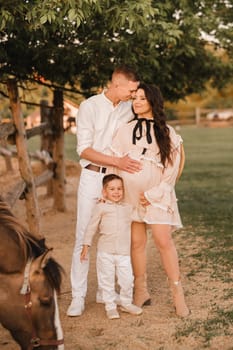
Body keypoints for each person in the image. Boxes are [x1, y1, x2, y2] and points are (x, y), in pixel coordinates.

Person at [110, 83, 190, 317]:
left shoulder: (167, 133)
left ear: (153, 101)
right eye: (135, 98)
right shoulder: (125, 130)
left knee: (162, 240)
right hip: (131, 196)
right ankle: (140, 290)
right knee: (136, 243)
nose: (136, 102)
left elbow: (172, 170)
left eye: (142, 99)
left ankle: (177, 294)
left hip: (157, 195)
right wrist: (119, 188)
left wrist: (152, 194)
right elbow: (115, 159)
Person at [67, 65, 141, 317]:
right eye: (131, 89)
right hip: (92, 176)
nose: (134, 93)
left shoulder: (128, 107)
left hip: (117, 179)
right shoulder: (90, 107)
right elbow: (84, 150)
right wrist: (117, 162)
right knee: (84, 236)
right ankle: (77, 296)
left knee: (116, 233)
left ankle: (105, 290)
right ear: (117, 84)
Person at [80, 174, 143, 320]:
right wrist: (86, 245)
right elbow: (91, 227)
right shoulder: (100, 208)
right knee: (106, 280)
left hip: (123, 253)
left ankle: (126, 303)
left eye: (119, 189)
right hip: (105, 252)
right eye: (112, 189)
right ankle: (110, 306)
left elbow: (141, 214)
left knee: (127, 280)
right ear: (104, 191)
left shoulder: (128, 208)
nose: (116, 192)